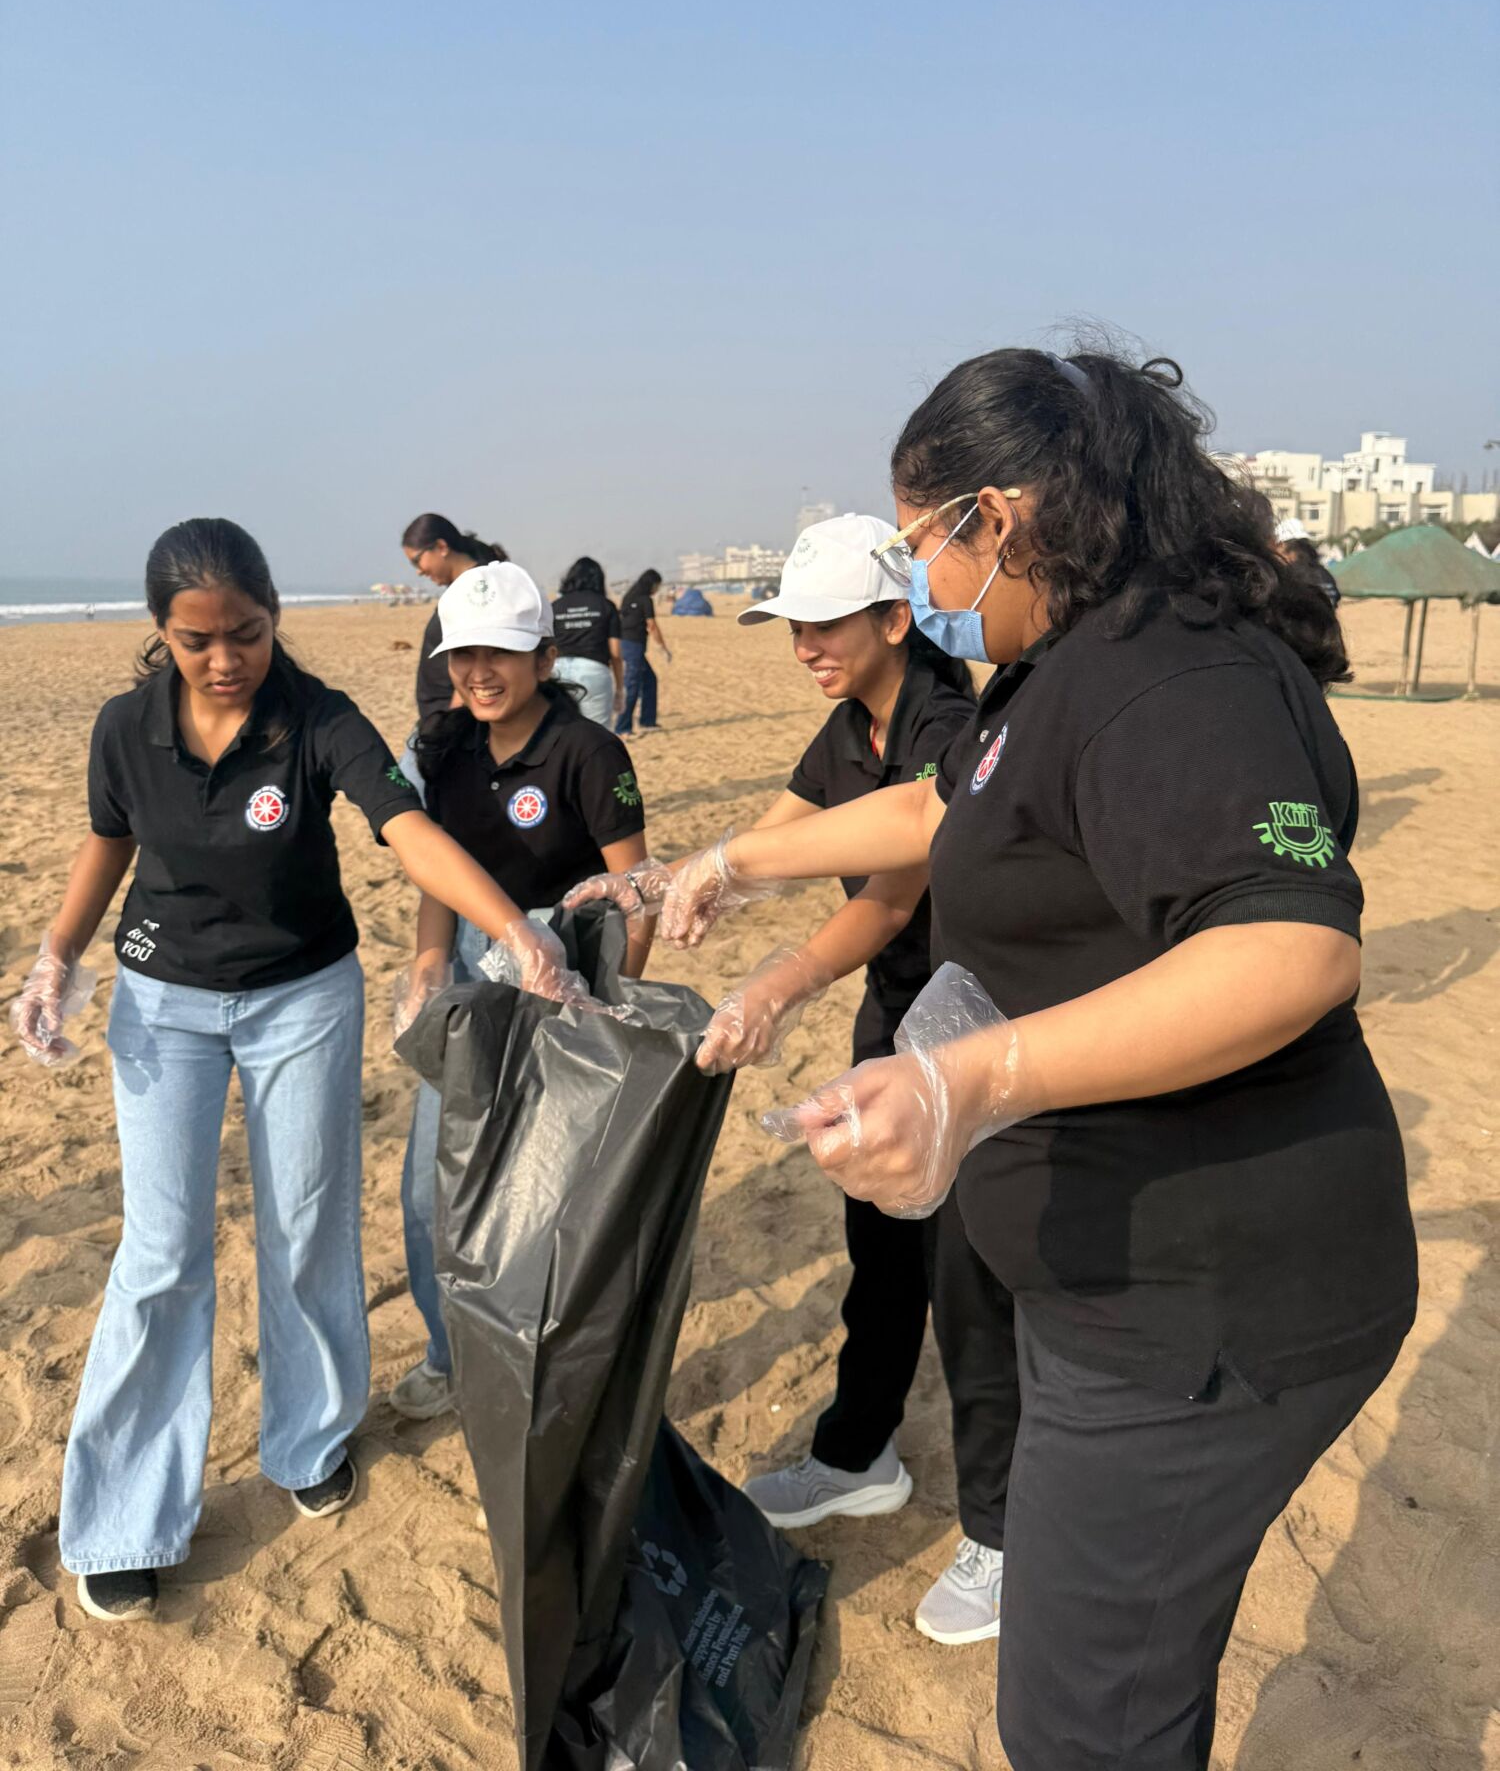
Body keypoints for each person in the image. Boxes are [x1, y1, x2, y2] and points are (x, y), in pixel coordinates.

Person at [587, 348, 1418, 1770]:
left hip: (1201, 1307)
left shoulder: (1172, 675)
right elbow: (939, 809)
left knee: (1083, 1718)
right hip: (1114, 1277)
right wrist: (727, 862)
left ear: (1002, 514)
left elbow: (1288, 948)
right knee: (1099, 1681)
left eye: (921, 543)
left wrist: (968, 1080)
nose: (918, 579)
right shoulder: (1059, 669)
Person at [9, 519, 588, 1627]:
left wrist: (512, 927)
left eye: (248, 633)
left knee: (309, 1221)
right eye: (197, 640)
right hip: (164, 1000)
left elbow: (405, 827)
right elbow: (107, 838)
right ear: (162, 632)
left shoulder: (318, 717)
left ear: (274, 618)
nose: (225, 658)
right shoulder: (126, 726)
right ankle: (126, 1517)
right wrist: (56, 955)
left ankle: (311, 1437)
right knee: (162, 1250)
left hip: (304, 997)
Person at [695, 511, 1018, 1645]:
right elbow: (781, 836)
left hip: (975, 1020)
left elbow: (887, 892)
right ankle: (858, 1452)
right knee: (878, 1246)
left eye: (825, 624)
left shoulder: (947, 722)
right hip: (895, 1014)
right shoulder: (849, 725)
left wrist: (775, 986)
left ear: (892, 617)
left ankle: (1004, 1531)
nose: (805, 647)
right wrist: (671, 882)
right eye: (794, 627)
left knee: (968, 1278)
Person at [388, 560, 652, 1420]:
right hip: (474, 983)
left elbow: (635, 895)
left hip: (564, 984)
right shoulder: (444, 749)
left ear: (543, 659)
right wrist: (430, 965)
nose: (479, 673)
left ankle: (545, 1360)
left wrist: (606, 1008)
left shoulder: (589, 752)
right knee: (433, 1185)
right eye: (462, 655)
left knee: (547, 1192)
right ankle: (448, 1354)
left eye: (499, 653)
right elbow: (441, 876)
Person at [399, 514, 510, 725]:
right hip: (441, 717)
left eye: (417, 561)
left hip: (452, 719)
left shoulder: (479, 590)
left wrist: (453, 723)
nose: (419, 571)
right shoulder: (467, 586)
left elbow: (478, 655)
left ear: (441, 547)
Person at [550, 556, 624, 726]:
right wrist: (620, 688)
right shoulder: (606, 606)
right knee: (597, 734)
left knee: (562, 731)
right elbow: (616, 653)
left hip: (558, 671)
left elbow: (546, 644)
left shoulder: (556, 606)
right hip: (594, 670)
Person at [614, 568, 670, 736]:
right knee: (632, 685)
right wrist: (663, 647)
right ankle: (622, 727)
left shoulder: (628, 596)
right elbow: (652, 625)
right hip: (633, 645)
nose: (657, 589)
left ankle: (647, 721)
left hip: (624, 643)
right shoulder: (646, 600)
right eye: (657, 586)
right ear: (652, 584)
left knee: (650, 680)